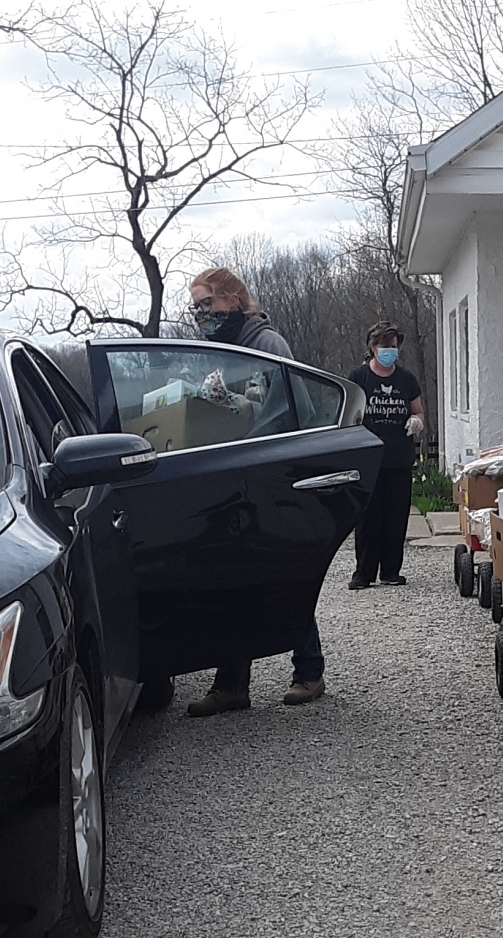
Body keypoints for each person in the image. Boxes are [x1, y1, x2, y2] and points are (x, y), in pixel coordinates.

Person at [184, 267, 328, 715]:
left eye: (207, 303)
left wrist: (237, 409)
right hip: (230, 480)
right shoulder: (221, 352)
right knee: (232, 581)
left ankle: (309, 672)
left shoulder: (267, 345)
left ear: (232, 298)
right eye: (196, 308)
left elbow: (288, 412)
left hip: (270, 478)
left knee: (284, 576)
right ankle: (231, 684)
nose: (202, 314)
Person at [347, 320, 424, 589]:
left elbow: (417, 410)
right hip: (368, 460)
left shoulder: (406, 379)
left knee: (395, 517)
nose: (389, 350)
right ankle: (363, 573)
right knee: (367, 519)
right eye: (384, 346)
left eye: (393, 346)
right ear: (372, 347)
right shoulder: (358, 378)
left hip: (398, 459)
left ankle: (391, 571)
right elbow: (348, 412)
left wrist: (416, 421)